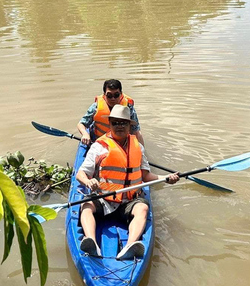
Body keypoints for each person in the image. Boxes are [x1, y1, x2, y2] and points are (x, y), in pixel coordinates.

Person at [75, 104, 179, 260]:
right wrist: (89, 182)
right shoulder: (99, 147)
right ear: (109, 124)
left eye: (123, 123)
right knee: (86, 205)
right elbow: (81, 174)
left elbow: (146, 176)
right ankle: (91, 242)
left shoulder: (138, 147)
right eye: (115, 123)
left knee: (143, 208)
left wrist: (166, 178)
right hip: (104, 199)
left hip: (129, 201)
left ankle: (130, 246)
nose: (119, 126)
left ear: (130, 125)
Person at [77, 79, 145, 146]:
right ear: (104, 95)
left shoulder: (128, 108)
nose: (113, 99)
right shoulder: (96, 107)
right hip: (100, 141)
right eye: (109, 95)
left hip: (121, 141)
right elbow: (81, 124)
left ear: (121, 94)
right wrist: (85, 134)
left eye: (116, 95)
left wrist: (142, 152)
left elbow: (136, 131)